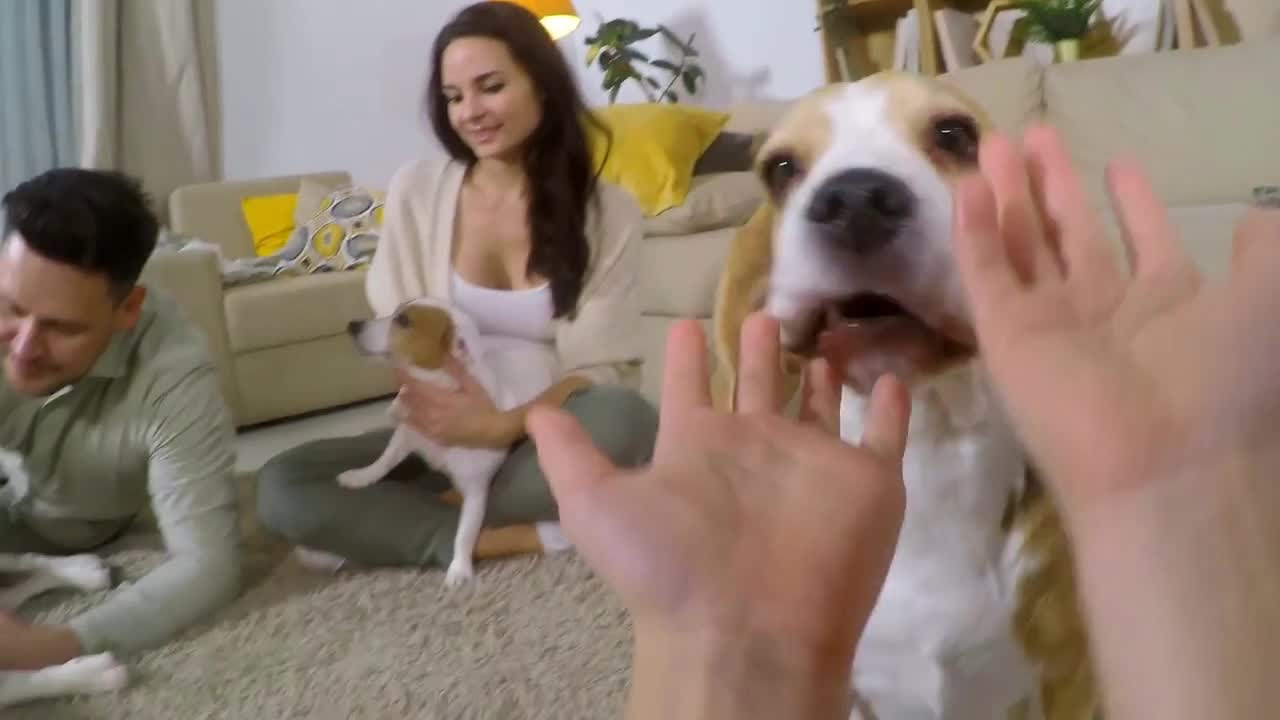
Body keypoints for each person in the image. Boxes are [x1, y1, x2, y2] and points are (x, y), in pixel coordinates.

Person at [526, 124, 1280, 720]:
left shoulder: (1108, 513)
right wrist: (723, 647)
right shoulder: (778, 533)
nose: (853, 200)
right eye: (791, 171)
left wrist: (1178, 530)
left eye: (950, 140)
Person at [255, 1, 658, 572]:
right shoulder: (418, 192)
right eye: (454, 97)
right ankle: (505, 535)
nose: (471, 112)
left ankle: (392, 525)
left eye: (491, 87)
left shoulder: (608, 211)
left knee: (628, 420)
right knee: (281, 484)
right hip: (442, 436)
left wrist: (499, 426)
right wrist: (458, 428)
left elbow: (602, 367)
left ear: (543, 86)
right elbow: (400, 336)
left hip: (542, 434)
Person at [0, 168, 242, 670]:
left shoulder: (173, 374)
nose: (23, 349)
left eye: (61, 327)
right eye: (10, 308)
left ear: (128, 308)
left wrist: (50, 646)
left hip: (73, 532)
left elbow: (208, 564)